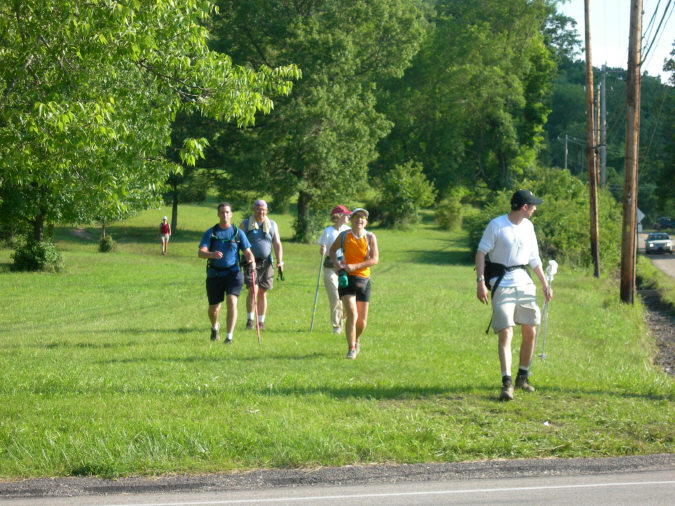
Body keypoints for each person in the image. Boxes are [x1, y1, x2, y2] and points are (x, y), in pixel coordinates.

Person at [475, 190, 553, 401]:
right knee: (506, 332)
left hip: (525, 283)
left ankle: (522, 377)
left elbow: (534, 258)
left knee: (530, 330)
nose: (535, 208)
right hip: (503, 284)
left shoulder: (528, 227)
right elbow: (481, 253)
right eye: (533, 205)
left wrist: (545, 284)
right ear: (523, 207)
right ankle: (506, 382)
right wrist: (481, 282)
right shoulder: (497, 225)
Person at [198, 203, 255, 344]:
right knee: (213, 309)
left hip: (233, 273)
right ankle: (214, 326)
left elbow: (248, 252)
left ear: (231, 214)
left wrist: (252, 262)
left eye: (227, 212)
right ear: (218, 214)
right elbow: (201, 252)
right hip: (214, 275)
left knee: (232, 301)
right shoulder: (211, 233)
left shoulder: (237, 232)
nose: (225, 215)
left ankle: (229, 336)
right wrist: (211, 254)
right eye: (222, 212)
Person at [329, 208, 379, 359]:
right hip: (346, 278)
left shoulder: (370, 237)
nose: (359, 220)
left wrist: (356, 266)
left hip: (363, 279)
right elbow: (332, 251)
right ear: (352, 220)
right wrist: (337, 265)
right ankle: (351, 348)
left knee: (362, 322)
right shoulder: (344, 236)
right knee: (352, 313)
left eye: (362, 218)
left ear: (366, 221)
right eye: (357, 217)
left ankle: (356, 339)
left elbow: (375, 259)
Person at [240, 199, 284, 330]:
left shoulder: (272, 224)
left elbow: (277, 243)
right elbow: (238, 241)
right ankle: (250, 320)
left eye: (263, 209)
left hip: (267, 262)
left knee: (263, 292)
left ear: (267, 210)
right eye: (258, 209)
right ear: (254, 210)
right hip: (250, 262)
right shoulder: (246, 223)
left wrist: (280, 261)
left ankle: (261, 322)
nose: (261, 211)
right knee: (253, 289)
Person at [317, 205, 351, 334]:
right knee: (335, 297)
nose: (348, 216)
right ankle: (337, 326)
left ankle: (343, 316)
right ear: (338, 216)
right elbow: (323, 247)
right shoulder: (328, 231)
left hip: (345, 269)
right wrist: (322, 249)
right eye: (346, 214)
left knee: (346, 298)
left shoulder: (349, 231)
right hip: (331, 268)